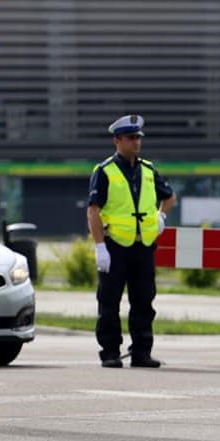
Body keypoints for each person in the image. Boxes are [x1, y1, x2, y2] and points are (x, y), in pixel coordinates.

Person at [87, 115, 176, 369]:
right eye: (130, 138)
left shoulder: (148, 170)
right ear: (117, 141)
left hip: (143, 246)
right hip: (115, 246)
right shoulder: (105, 171)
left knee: (143, 301)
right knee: (109, 302)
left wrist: (161, 216)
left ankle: (142, 352)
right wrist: (100, 246)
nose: (136, 142)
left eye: (138, 138)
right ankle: (110, 352)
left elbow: (169, 197)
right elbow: (93, 210)